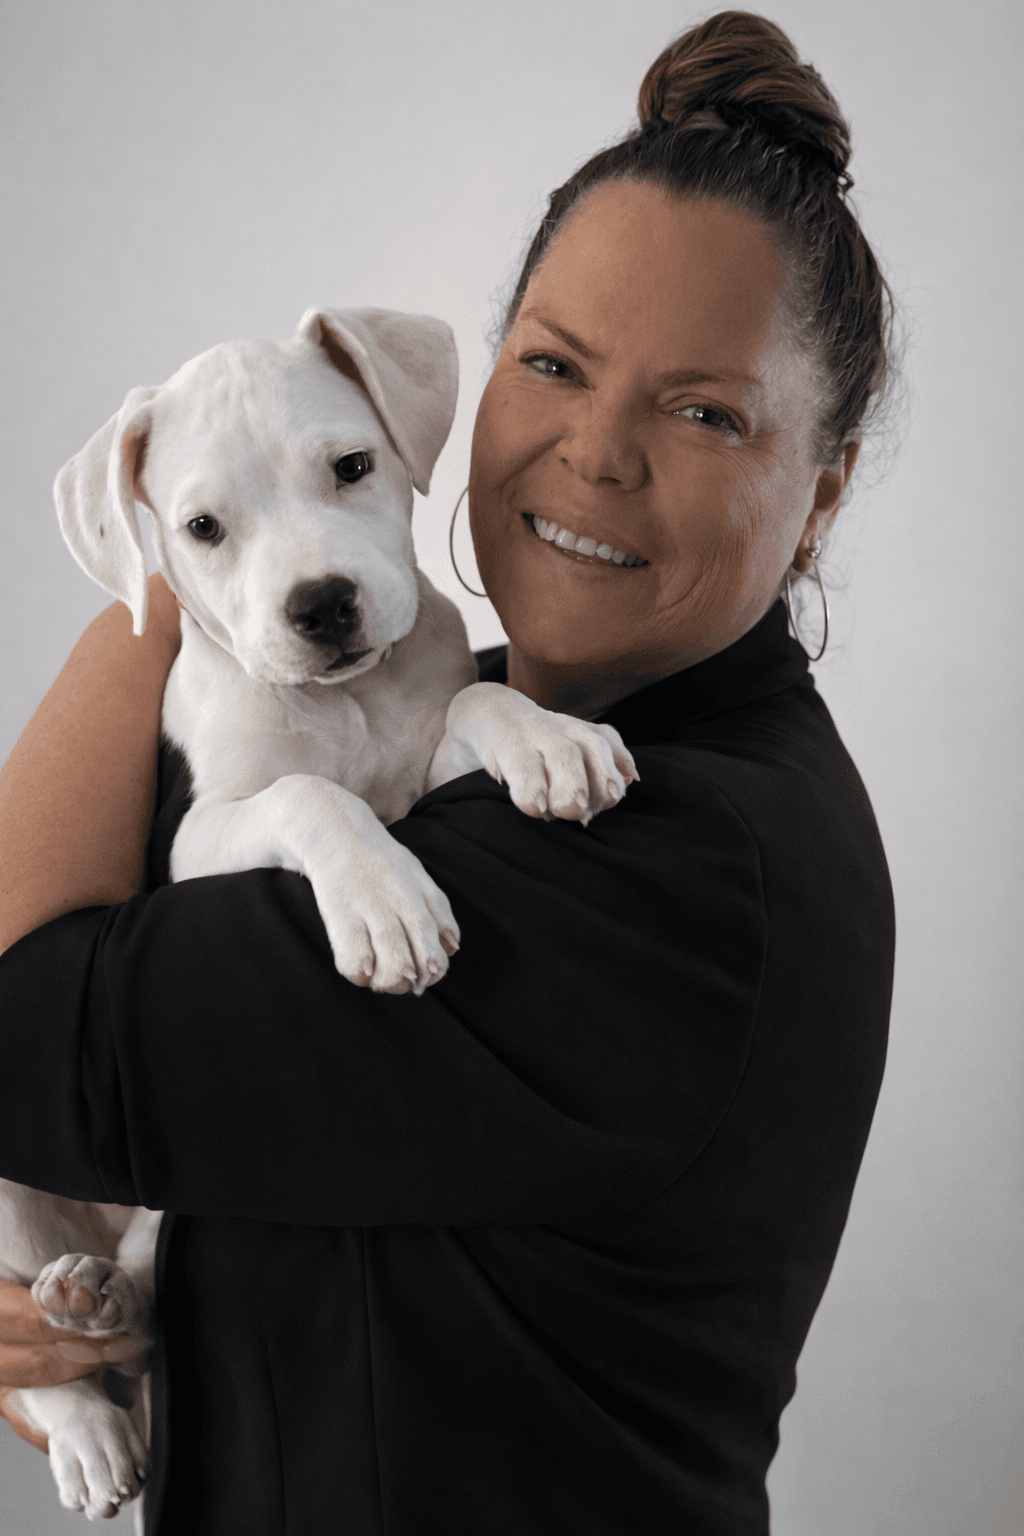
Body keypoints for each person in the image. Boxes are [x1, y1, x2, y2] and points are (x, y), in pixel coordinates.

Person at [0, 11, 897, 1533]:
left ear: (819, 498)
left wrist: (157, 596)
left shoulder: (670, 865)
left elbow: (26, 1044)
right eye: (553, 365)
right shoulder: (473, 722)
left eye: (705, 411)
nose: (595, 456)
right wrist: (71, 1320)